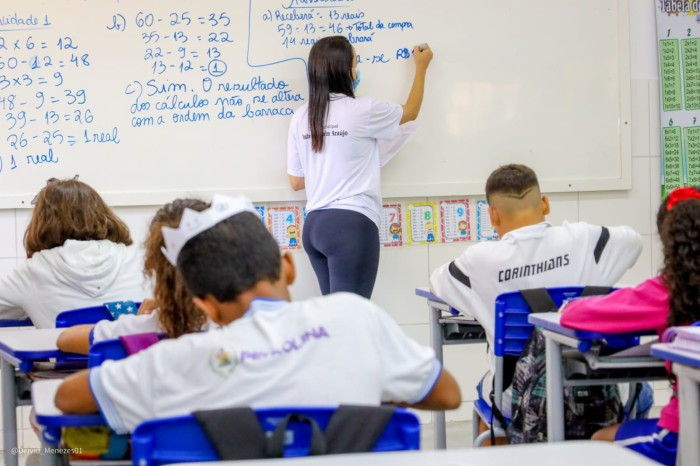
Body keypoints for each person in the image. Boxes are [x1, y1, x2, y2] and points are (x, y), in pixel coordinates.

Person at [55, 195, 461, 433]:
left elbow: (66, 397)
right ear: (288, 265)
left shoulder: (176, 361)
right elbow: (447, 394)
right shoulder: (355, 317)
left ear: (205, 304)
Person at [429, 164, 642, 428]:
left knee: (489, 404)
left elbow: (438, 283)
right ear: (545, 203)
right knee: (641, 394)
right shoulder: (588, 239)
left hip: (519, 393)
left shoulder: (479, 261)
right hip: (597, 386)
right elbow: (634, 241)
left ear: (493, 215)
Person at [560, 186, 700, 466]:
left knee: (600, 441)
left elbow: (574, 315)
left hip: (684, 435)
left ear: (668, 242)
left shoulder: (667, 292)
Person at [287, 35, 433, 298]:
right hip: (350, 225)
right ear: (344, 70)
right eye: (356, 62)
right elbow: (410, 112)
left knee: (336, 318)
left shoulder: (301, 116)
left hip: (314, 227)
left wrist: (334, 167)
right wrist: (421, 67)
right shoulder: (361, 110)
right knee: (352, 319)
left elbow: (296, 181)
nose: (357, 69)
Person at [56, 199, 211, 354]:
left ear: (154, 265)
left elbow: (65, 339)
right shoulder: (229, 323)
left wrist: (168, 305)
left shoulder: (149, 326)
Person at [0, 178, 150, 328]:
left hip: (63, 350)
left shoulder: (34, 271)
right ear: (102, 213)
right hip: (135, 351)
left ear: (42, 222)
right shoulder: (140, 260)